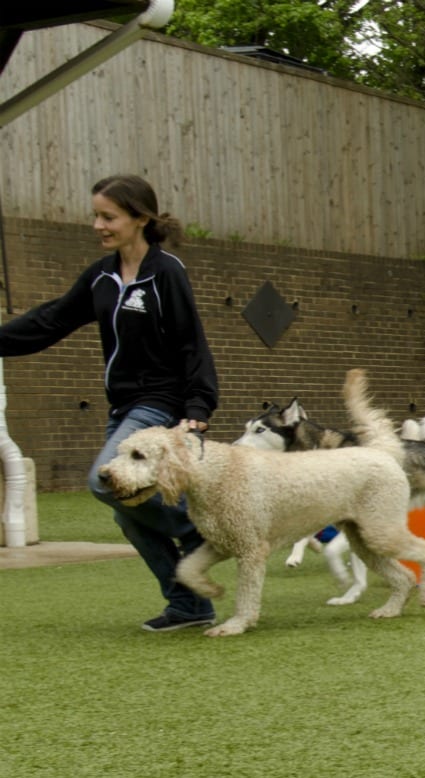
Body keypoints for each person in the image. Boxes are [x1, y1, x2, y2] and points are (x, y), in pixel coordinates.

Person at [0, 174, 220, 632]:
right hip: (121, 408)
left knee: (104, 482)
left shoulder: (166, 273)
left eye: (109, 216)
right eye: (96, 216)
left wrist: (198, 406)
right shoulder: (102, 276)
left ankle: (205, 529)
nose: (99, 225)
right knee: (130, 515)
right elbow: (51, 320)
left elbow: (190, 343)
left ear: (140, 218)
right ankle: (189, 606)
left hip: (159, 404)